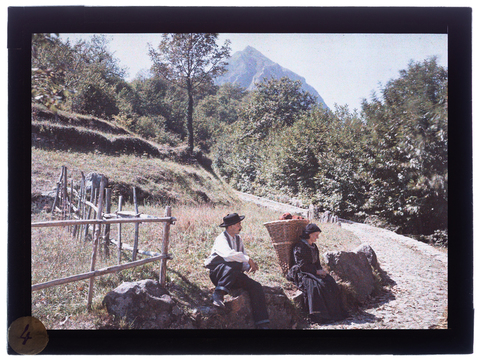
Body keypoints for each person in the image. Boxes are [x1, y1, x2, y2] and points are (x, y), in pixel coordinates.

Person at [204, 213, 270, 329]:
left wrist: (248, 266)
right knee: (234, 261)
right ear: (230, 226)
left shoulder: (238, 239)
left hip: (232, 274)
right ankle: (218, 294)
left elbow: (242, 259)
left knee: (256, 286)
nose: (241, 226)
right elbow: (229, 256)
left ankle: (262, 322)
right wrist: (248, 259)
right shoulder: (221, 239)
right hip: (218, 274)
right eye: (238, 224)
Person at [286, 223, 348, 324]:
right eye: (316, 235)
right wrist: (316, 271)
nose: (317, 237)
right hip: (301, 272)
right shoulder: (299, 247)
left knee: (330, 281)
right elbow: (301, 265)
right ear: (309, 234)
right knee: (315, 286)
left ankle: (334, 313)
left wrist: (321, 271)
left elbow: (317, 263)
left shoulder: (314, 247)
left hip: (312, 270)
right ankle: (319, 316)